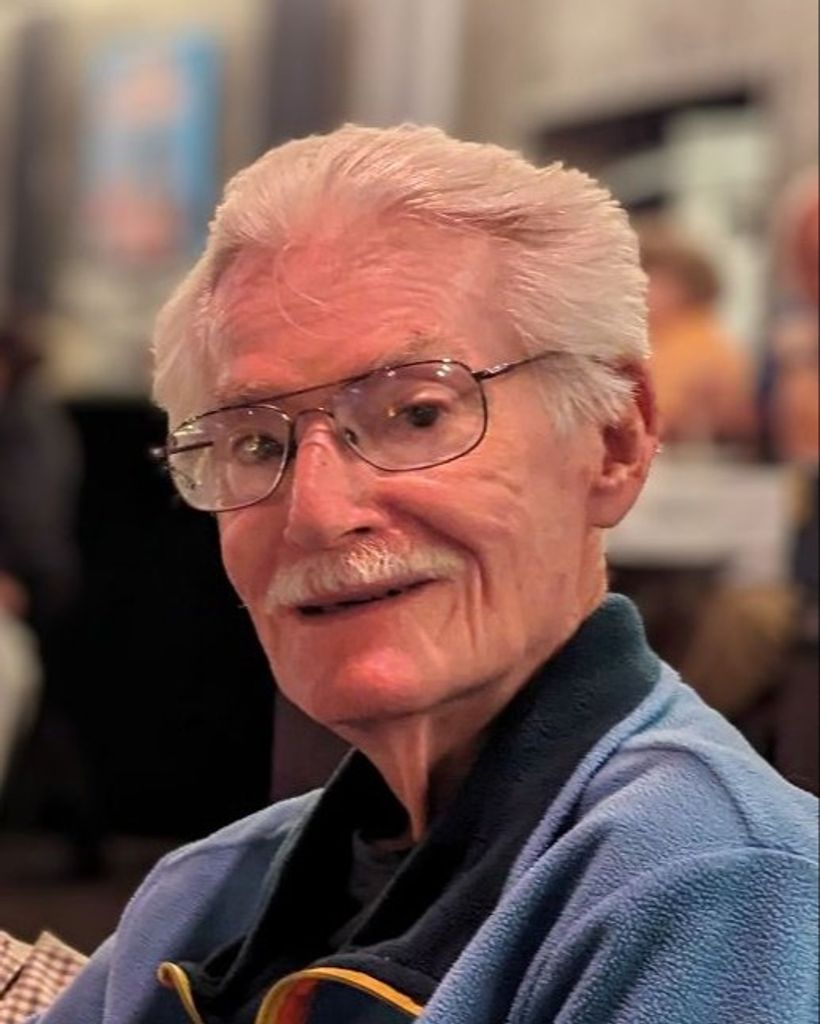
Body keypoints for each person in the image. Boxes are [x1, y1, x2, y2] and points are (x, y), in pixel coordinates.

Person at [21, 125, 817, 1023]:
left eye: (416, 414)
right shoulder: (206, 894)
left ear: (614, 440)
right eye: (255, 443)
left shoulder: (714, 889)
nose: (318, 511)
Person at [637, 218, 755, 447]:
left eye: (654, 281)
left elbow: (663, 412)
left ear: (688, 288)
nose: (642, 290)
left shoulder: (701, 340)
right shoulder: (648, 336)